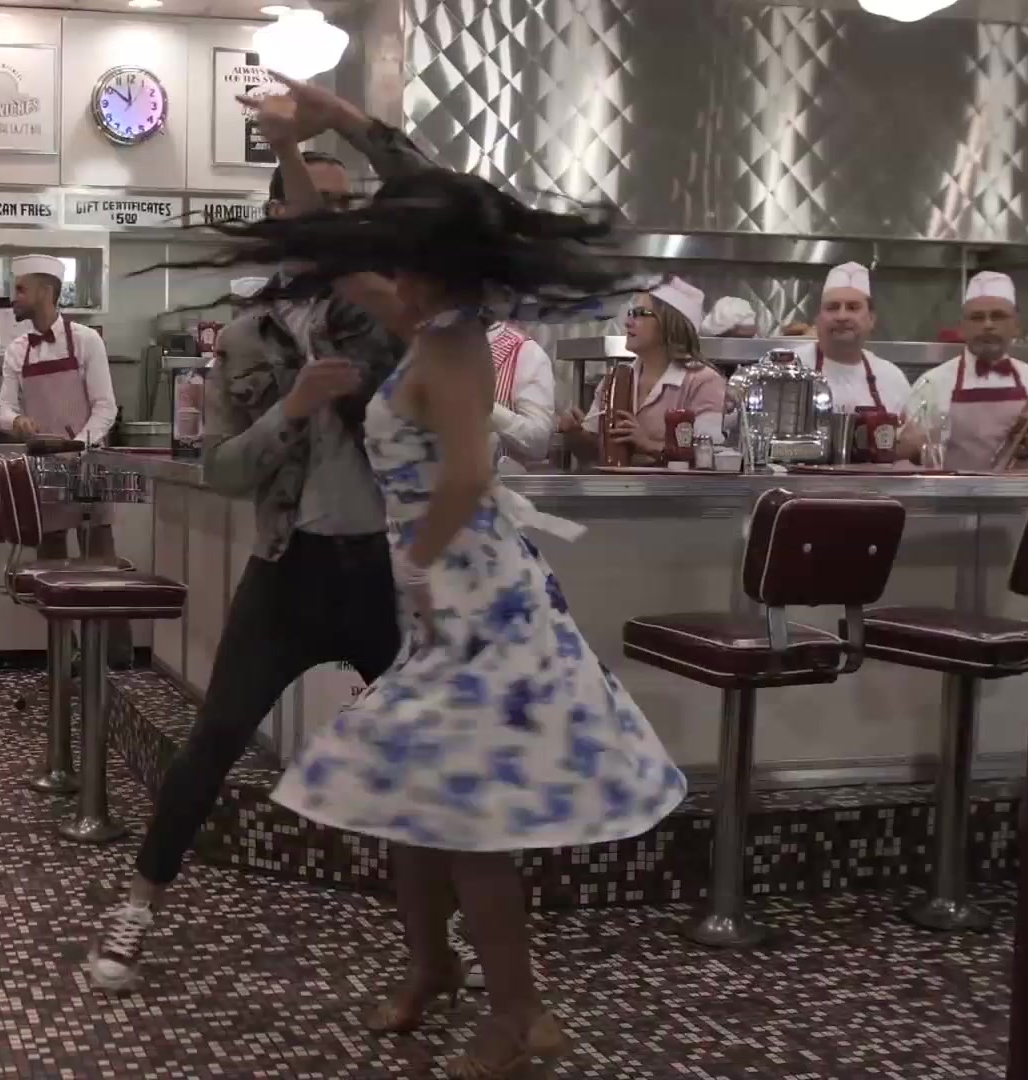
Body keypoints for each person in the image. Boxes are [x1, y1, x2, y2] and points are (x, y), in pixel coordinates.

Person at [172, 84, 688, 1079]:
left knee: (464, 815)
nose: (380, 274)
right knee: (413, 791)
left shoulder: (450, 346)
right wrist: (299, 141)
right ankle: (432, 967)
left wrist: (413, 567)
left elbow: (468, 476)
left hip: (476, 604)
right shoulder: (425, 323)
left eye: (397, 257)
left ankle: (521, 1015)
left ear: (428, 267)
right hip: (453, 596)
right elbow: (328, 248)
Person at [84, 75, 426, 996]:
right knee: (215, 741)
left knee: (424, 754)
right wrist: (294, 408)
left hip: (382, 572)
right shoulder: (246, 339)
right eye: (322, 205)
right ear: (284, 217)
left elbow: (430, 190)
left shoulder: (384, 319)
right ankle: (138, 908)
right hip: (288, 571)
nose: (339, 223)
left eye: (350, 210)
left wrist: (337, 122)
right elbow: (224, 470)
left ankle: (438, 944)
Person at [0, 254, 130, 664]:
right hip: (43, 468)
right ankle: (65, 656)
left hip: (88, 466)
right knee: (51, 567)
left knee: (100, 564)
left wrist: (77, 447)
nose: (13, 297)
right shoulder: (17, 349)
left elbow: (106, 407)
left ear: (46, 292)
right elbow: (2, 410)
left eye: (20, 289)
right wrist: (16, 421)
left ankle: (113, 657)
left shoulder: (87, 340)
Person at [897, 271, 1028, 470]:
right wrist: (912, 451)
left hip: (1023, 491)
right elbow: (904, 460)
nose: (988, 325)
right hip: (951, 491)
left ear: (1017, 326)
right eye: (977, 317)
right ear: (961, 327)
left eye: (998, 316)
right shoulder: (931, 385)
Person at [559, 277, 727, 465]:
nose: (628, 322)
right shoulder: (616, 380)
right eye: (630, 313)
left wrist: (648, 445)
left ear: (669, 322)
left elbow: (709, 457)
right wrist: (575, 433)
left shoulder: (704, 382)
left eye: (639, 313)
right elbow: (593, 454)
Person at [791, 262, 912, 415]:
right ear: (818, 319)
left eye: (853, 307)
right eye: (832, 307)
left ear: (871, 319)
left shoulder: (892, 379)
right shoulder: (792, 368)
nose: (842, 316)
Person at [486, 321, 556, 469]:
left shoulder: (526, 352)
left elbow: (538, 442)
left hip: (498, 480)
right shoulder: (436, 348)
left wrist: (485, 406)